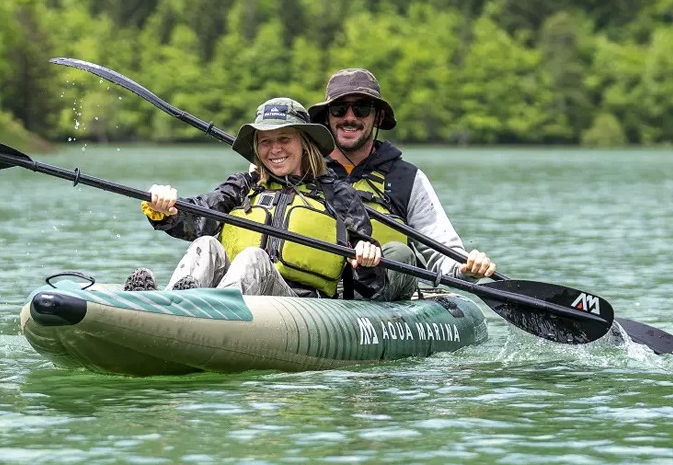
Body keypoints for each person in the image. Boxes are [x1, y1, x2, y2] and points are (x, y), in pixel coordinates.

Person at [124, 97, 384, 299]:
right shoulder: (242, 186)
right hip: (240, 298)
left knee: (253, 258)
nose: (274, 149)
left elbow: (369, 278)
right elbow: (200, 216)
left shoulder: (337, 194)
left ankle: (200, 308)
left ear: (305, 144)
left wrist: (365, 256)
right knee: (208, 244)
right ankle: (169, 305)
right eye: (265, 141)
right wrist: (168, 210)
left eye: (284, 139)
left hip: (300, 306)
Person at [307, 68, 496, 301]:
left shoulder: (406, 178)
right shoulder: (304, 170)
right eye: (339, 109)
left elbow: (441, 251)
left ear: (377, 117)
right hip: (316, 297)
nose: (349, 117)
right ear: (327, 117)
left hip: (382, 297)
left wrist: (466, 268)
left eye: (361, 108)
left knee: (400, 253)